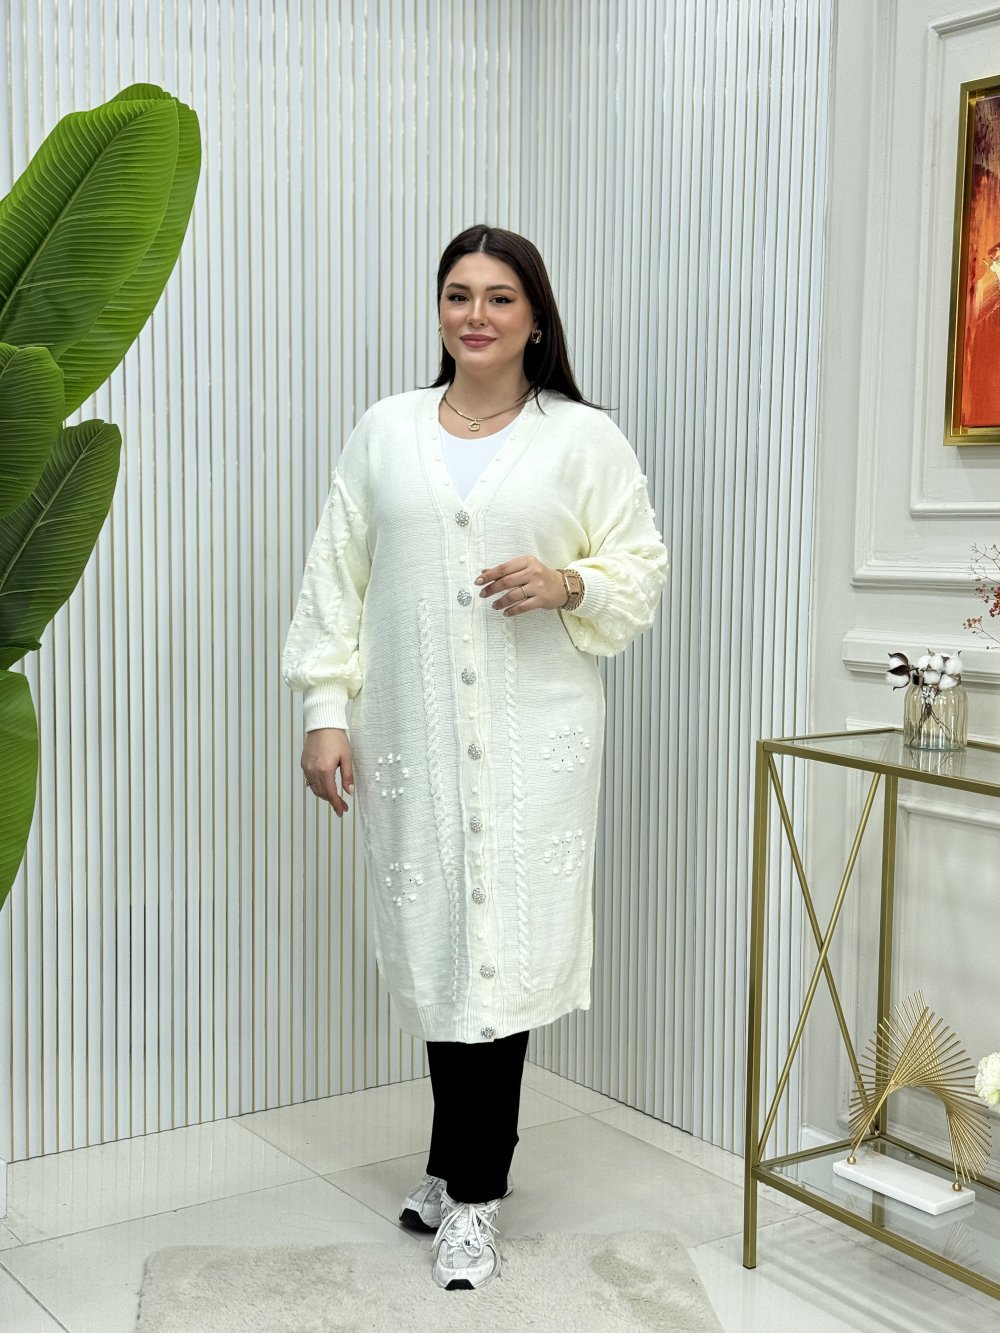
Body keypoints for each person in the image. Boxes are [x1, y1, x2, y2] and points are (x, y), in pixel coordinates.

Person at [281, 224, 669, 1291]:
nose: (477, 315)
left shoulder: (582, 438)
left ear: (535, 317)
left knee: (501, 946)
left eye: (501, 297)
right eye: (459, 294)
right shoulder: (385, 430)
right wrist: (324, 708)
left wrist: (568, 582)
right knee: (445, 940)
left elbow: (640, 565)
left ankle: (476, 1195)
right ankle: (452, 1162)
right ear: (439, 309)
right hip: (413, 737)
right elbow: (335, 578)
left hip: (535, 739)